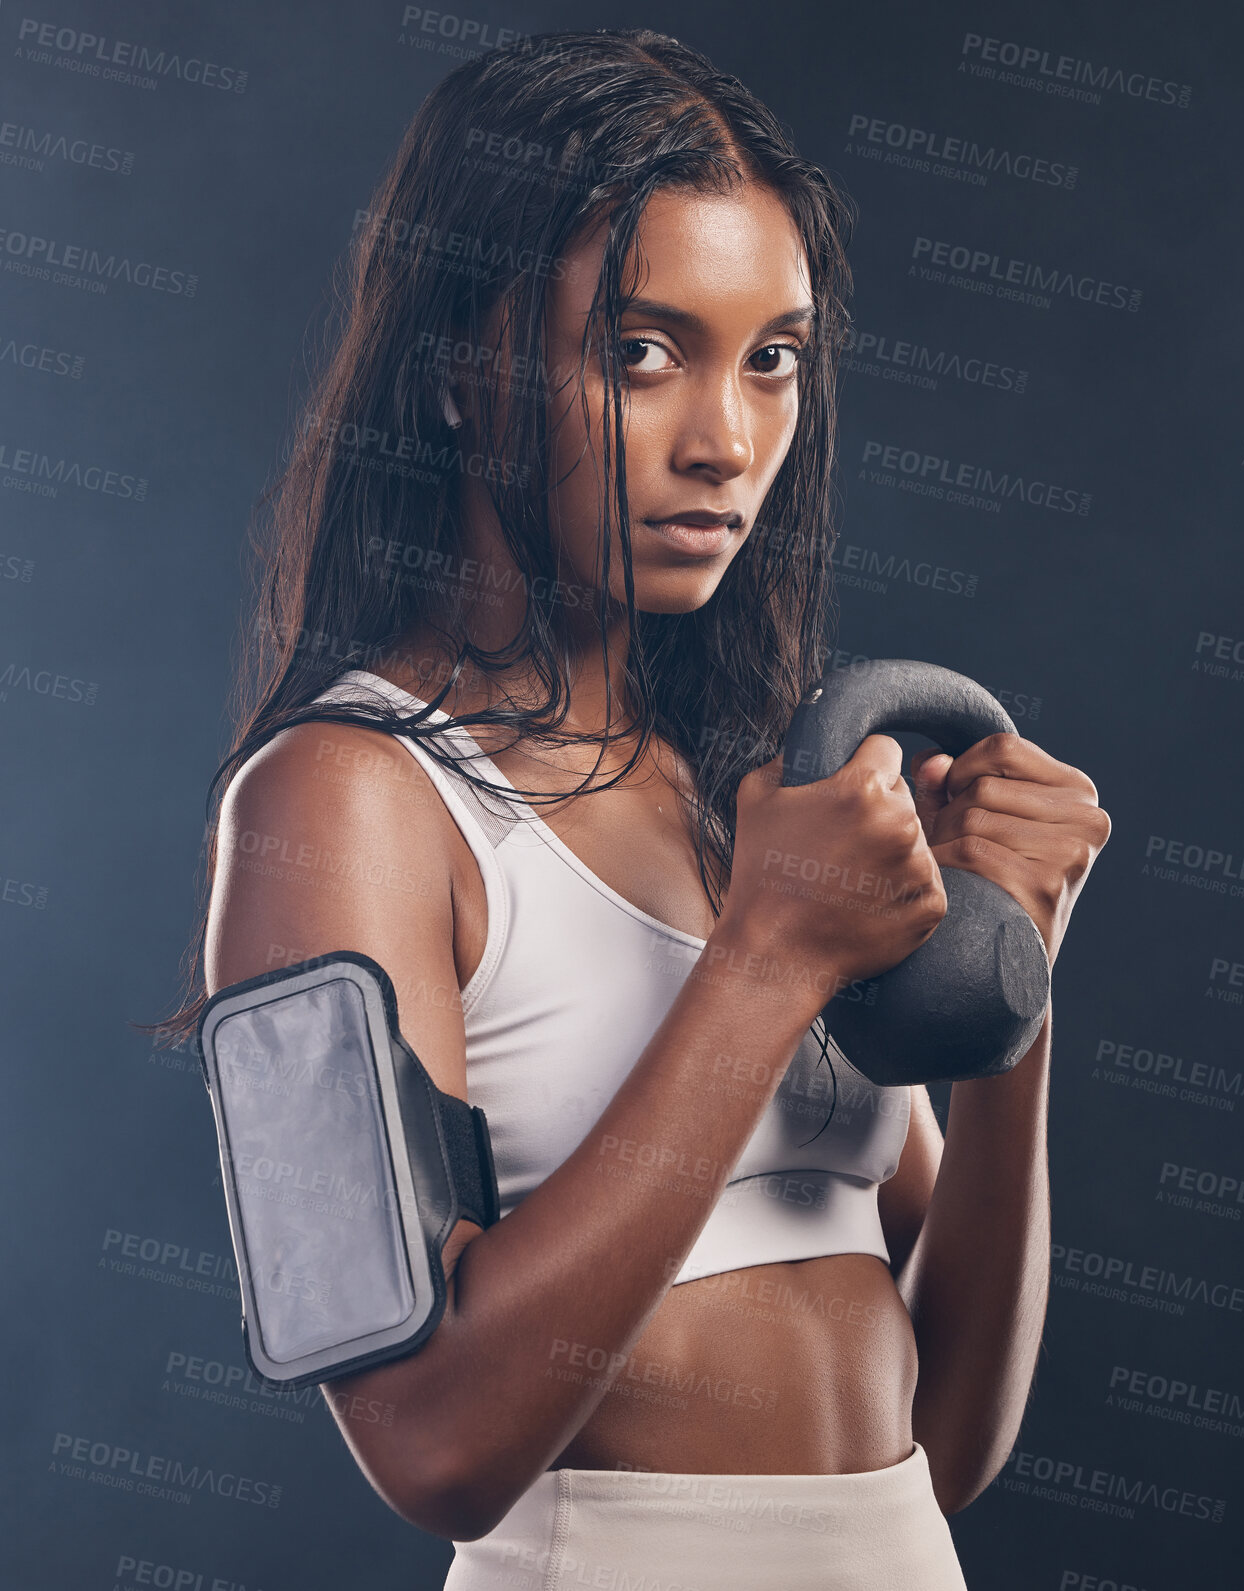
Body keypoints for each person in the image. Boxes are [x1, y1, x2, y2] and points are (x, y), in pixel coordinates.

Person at [156, 27, 1110, 1589]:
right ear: (463, 369)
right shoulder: (340, 802)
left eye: (772, 359)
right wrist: (765, 967)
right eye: (641, 351)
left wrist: (1010, 987)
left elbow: (951, 1439)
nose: (726, 442)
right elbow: (433, 1443)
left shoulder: (759, 800)